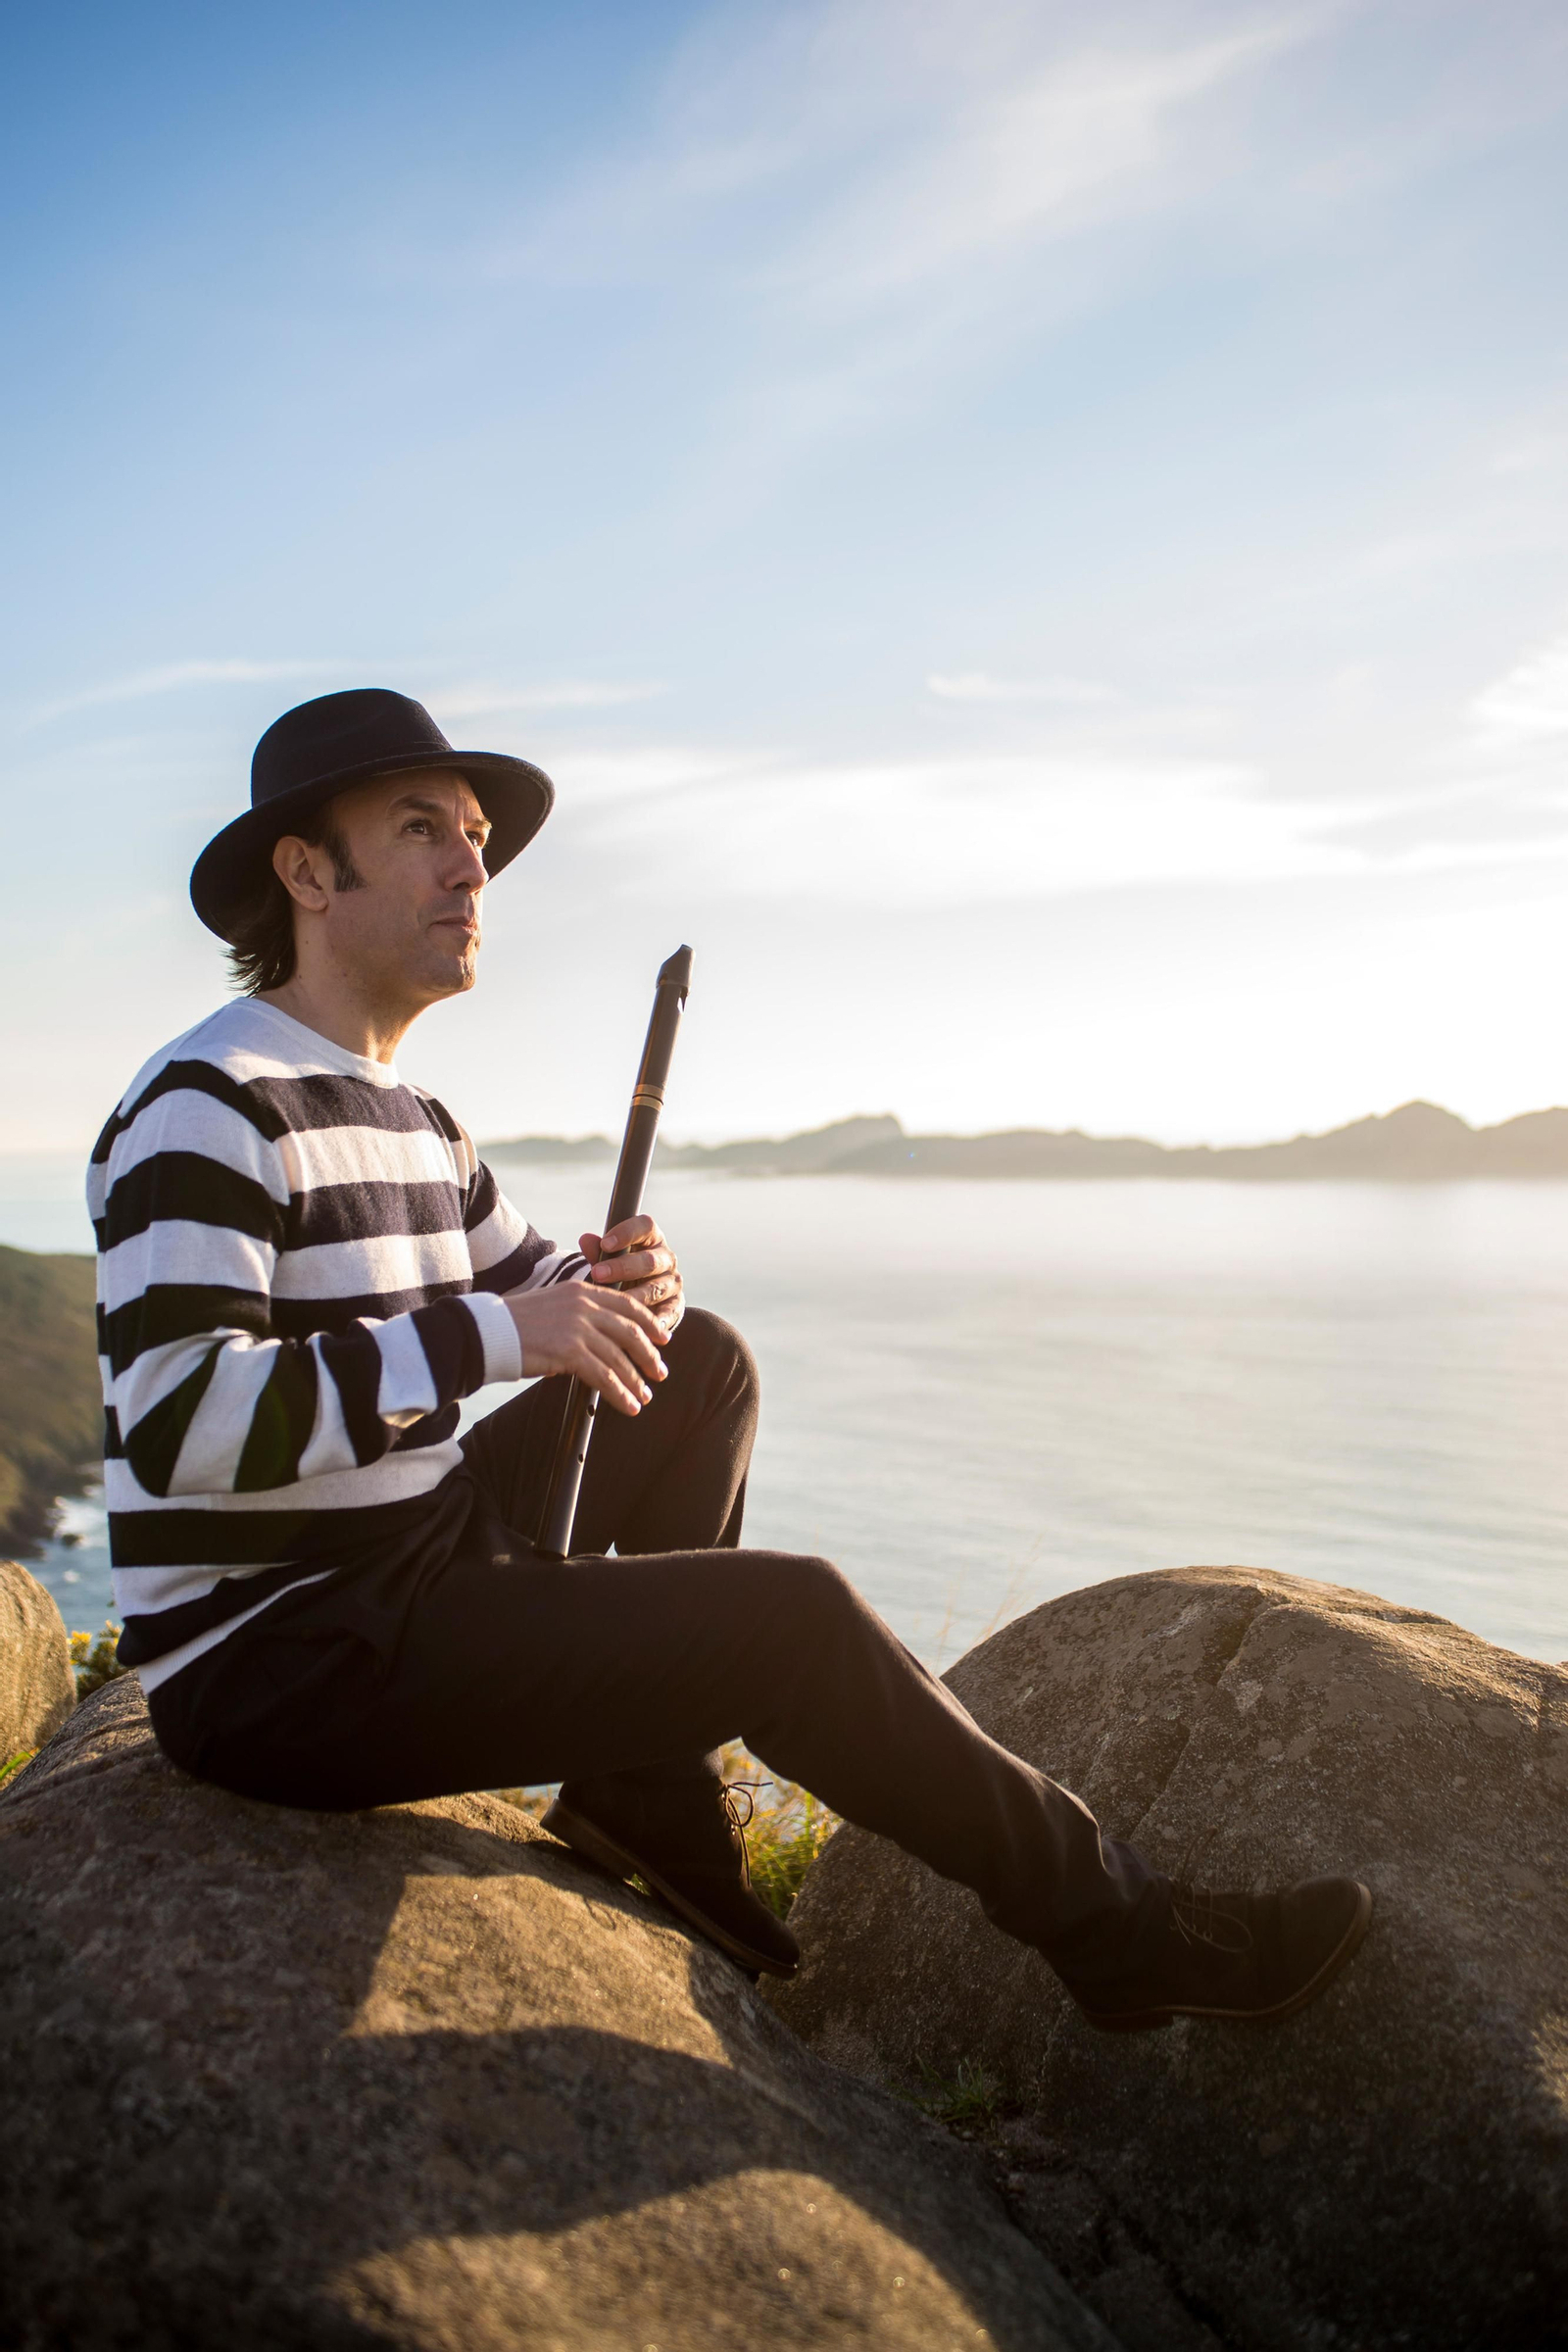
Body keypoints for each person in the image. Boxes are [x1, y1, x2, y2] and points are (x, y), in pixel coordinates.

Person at [91, 687, 1372, 2028]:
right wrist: (503, 1334)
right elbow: (179, 1420)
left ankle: (641, 1785)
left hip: (412, 1553)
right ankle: (1130, 1938)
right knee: (791, 1616)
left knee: (699, 1360)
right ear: (304, 870)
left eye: (474, 835)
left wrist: (621, 1287)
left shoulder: (412, 1113)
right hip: (285, 1654)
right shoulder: (209, 1104)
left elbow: (538, 1281)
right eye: (423, 830)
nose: (473, 867)